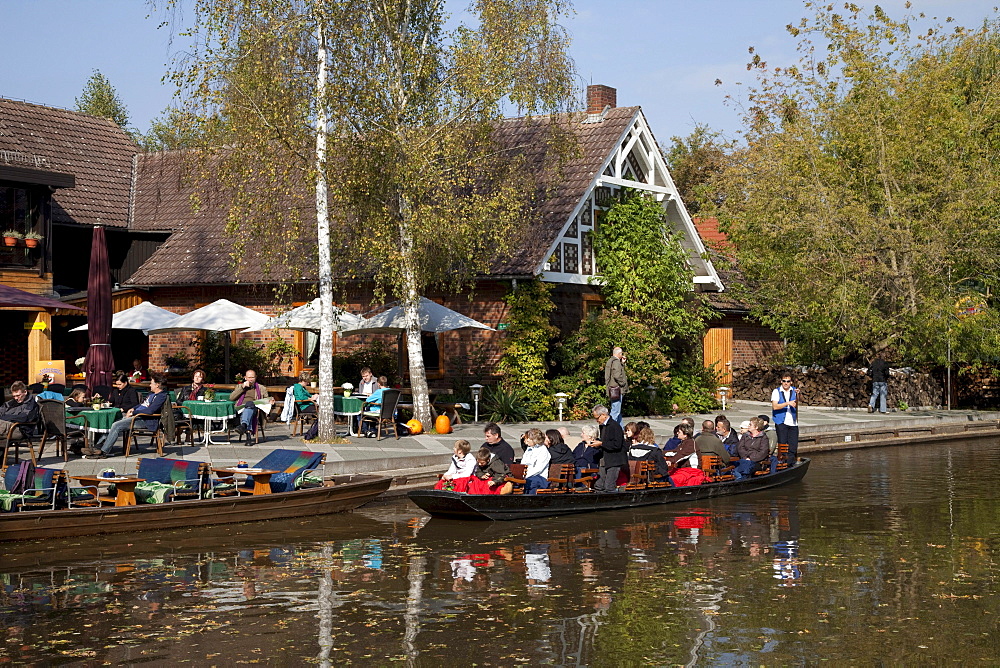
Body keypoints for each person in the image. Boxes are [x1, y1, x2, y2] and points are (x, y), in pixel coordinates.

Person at [85, 375, 169, 458]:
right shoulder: (151, 394)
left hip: (146, 420)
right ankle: (98, 446)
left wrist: (134, 412)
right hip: (138, 416)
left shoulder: (161, 396)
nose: (150, 385)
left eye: (151, 383)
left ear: (157, 385)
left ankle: (103, 452)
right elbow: (141, 405)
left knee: (116, 425)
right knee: (111, 421)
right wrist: (132, 409)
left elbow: (150, 411)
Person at [588, 405, 627, 492]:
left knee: (609, 485)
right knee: (599, 484)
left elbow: (617, 444)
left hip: (614, 459)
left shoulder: (614, 426)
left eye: (597, 418)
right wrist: (597, 443)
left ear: (603, 415)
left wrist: (601, 443)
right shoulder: (602, 426)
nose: (597, 420)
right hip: (605, 459)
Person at [230, 369, 274, 439]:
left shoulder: (261, 388)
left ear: (255, 377)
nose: (251, 379)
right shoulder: (240, 386)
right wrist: (242, 388)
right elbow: (232, 398)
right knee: (248, 407)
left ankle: (244, 425)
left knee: (249, 406)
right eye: (249, 377)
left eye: (252, 377)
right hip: (240, 408)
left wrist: (270, 401)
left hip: (255, 409)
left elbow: (266, 399)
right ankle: (247, 433)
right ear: (245, 378)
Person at [771, 375, 799, 462]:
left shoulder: (794, 390)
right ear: (781, 382)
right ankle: (782, 461)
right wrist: (787, 403)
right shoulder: (776, 391)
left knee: (793, 444)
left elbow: (800, 401)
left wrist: (799, 395)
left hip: (793, 421)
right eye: (784, 381)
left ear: (791, 382)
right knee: (782, 443)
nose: (786, 383)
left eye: (788, 381)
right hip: (781, 421)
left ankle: (791, 461)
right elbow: (775, 406)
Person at [521, 428, 552, 494]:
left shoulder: (543, 451)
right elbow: (523, 463)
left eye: (528, 438)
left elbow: (538, 469)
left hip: (539, 477)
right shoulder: (529, 449)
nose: (526, 441)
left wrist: (525, 476)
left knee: (530, 482)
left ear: (534, 439)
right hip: (526, 475)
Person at [604, 346, 628, 426]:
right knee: (615, 411)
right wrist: (623, 383)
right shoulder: (616, 362)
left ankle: (620, 429)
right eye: (621, 353)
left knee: (618, 411)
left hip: (612, 389)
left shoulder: (611, 361)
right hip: (617, 389)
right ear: (619, 354)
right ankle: (610, 428)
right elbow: (617, 375)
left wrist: (622, 363)